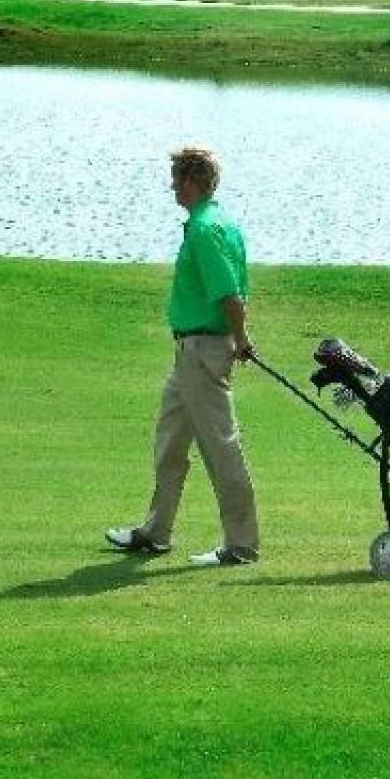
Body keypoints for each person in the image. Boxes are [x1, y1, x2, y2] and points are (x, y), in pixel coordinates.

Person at [105, 147, 261, 567]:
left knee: (221, 448)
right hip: (190, 352)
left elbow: (229, 293)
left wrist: (241, 337)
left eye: (176, 178)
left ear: (192, 182)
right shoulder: (217, 221)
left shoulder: (206, 229)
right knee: (170, 444)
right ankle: (156, 532)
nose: (172, 186)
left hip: (203, 351)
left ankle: (241, 545)